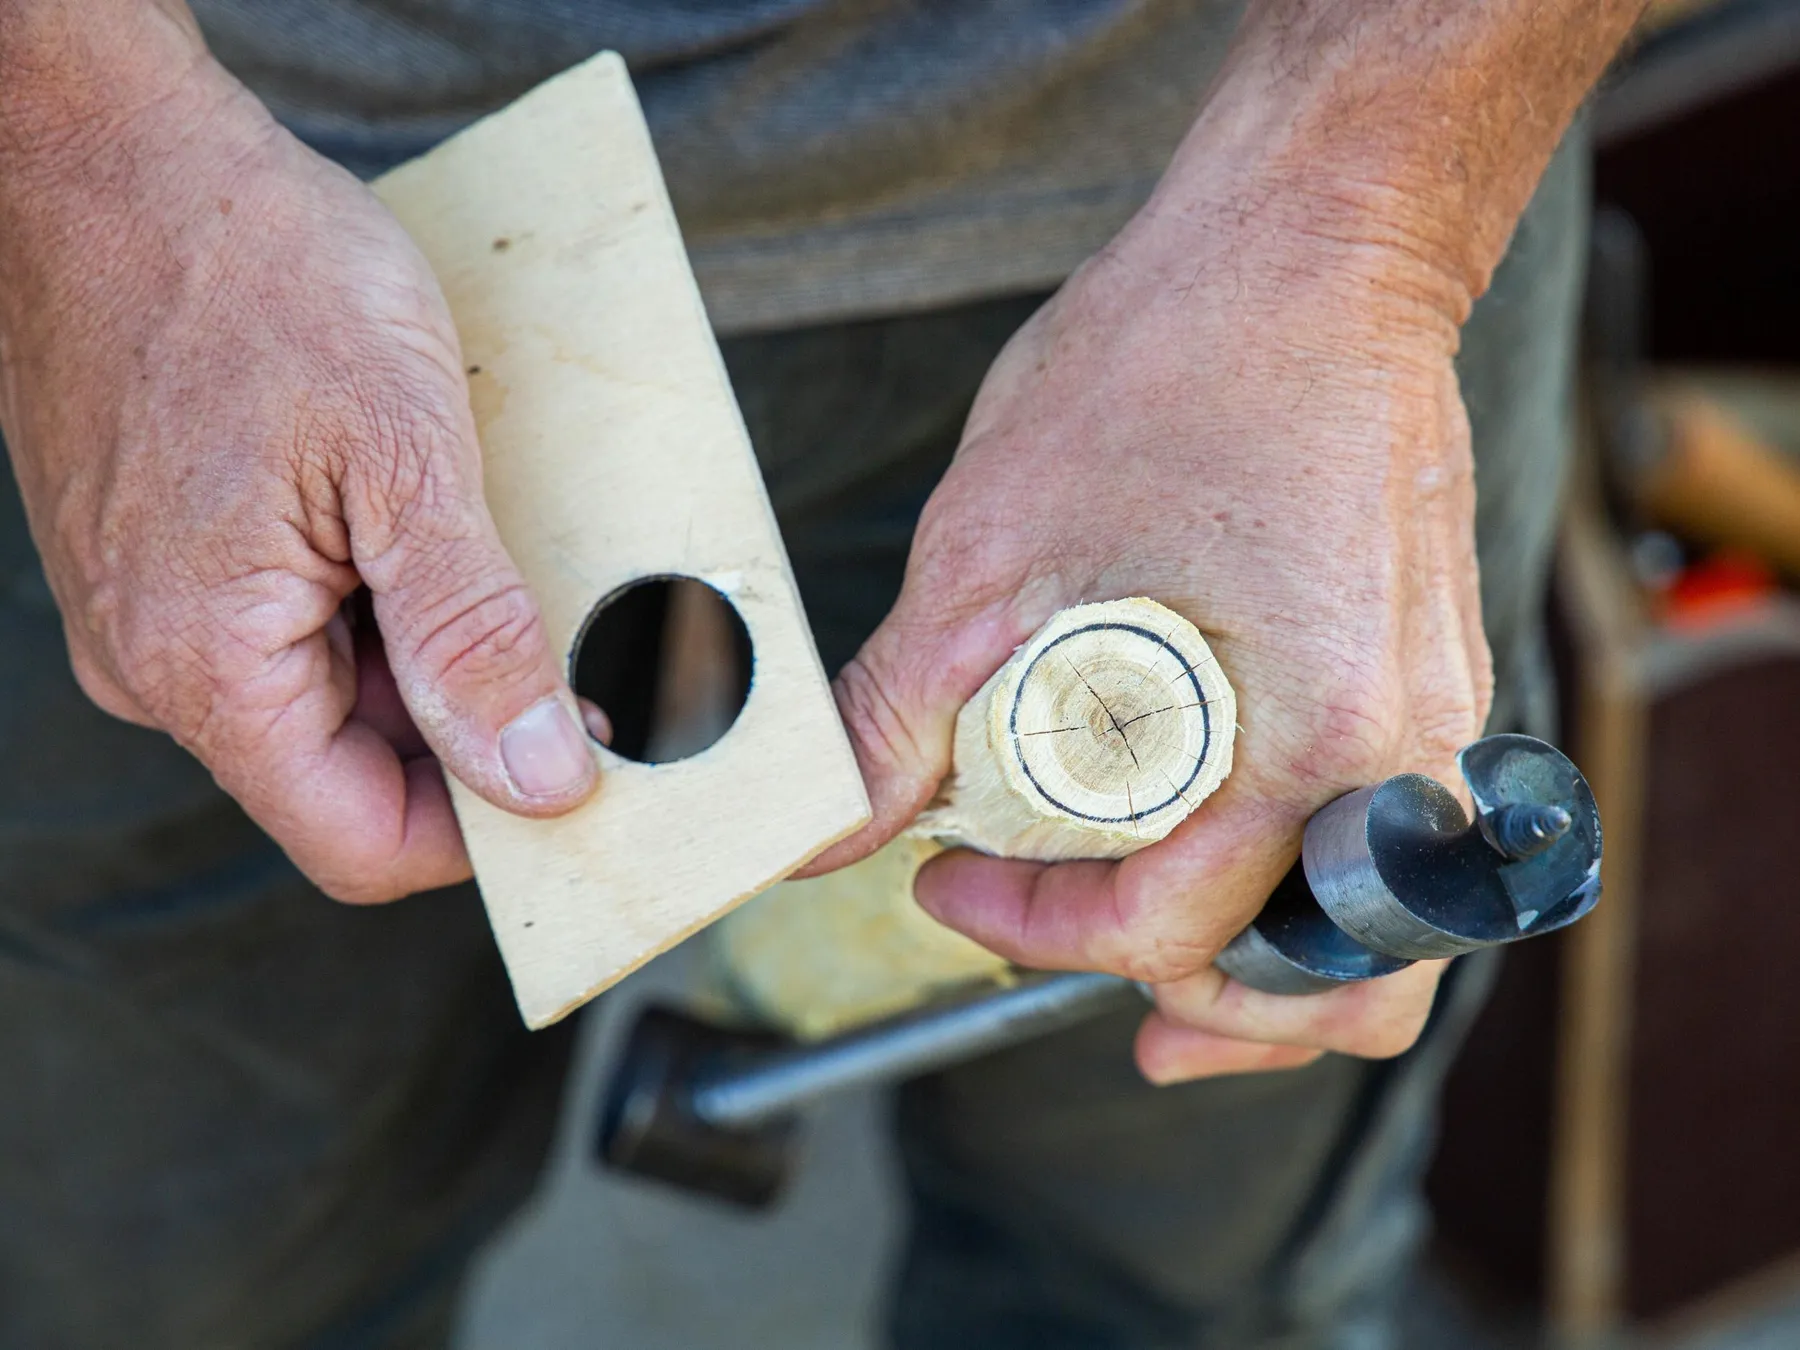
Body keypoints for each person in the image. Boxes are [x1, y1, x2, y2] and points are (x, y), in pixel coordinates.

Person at [0, 2, 1644, 1346]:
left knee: (1168, 1291)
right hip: (232, 236)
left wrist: (1360, 237)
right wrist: (73, 150)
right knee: (187, 1288)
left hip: (1255, 231)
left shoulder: (1325, 237)